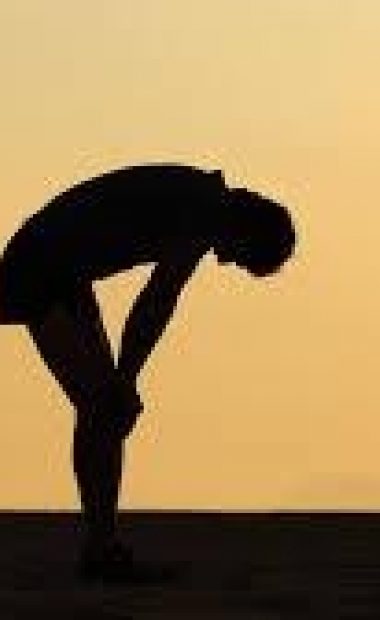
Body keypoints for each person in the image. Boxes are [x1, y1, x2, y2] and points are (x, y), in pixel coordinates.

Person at [0, 163, 296, 584]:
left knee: (106, 410)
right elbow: (155, 306)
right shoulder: (202, 212)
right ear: (246, 232)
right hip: (40, 269)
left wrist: (123, 380)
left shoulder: (203, 203)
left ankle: (102, 547)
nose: (228, 263)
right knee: (104, 406)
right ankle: (101, 551)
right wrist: (126, 379)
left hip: (63, 274)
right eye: (243, 259)